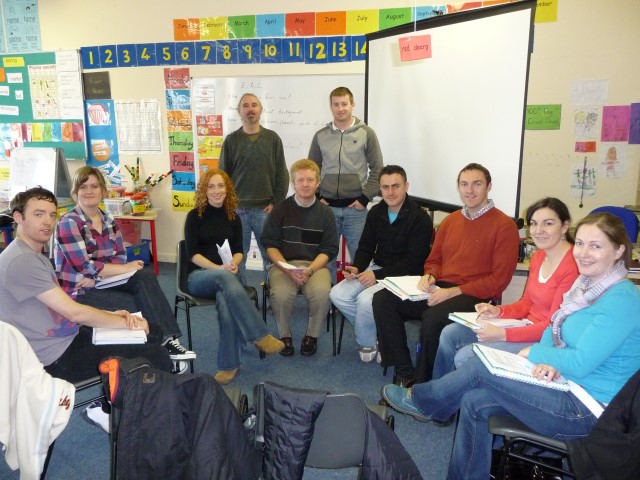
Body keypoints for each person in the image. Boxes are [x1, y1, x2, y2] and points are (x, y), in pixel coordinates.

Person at [381, 212, 640, 480]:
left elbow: (581, 362)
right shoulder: (586, 287)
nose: (584, 253)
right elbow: (555, 328)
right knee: (474, 401)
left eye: (595, 246)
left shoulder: (622, 299)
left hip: (586, 411)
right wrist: (548, 358)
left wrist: (535, 352)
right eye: (581, 243)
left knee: (481, 366)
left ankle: (424, 401)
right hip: (564, 384)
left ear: (618, 250)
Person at [0, 187, 172, 383]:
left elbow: (62, 308)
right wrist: (124, 322)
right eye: (38, 214)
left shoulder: (30, 254)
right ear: (18, 217)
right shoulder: (22, 260)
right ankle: (121, 399)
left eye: (52, 215)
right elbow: (76, 313)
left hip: (66, 337)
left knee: (153, 331)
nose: (47, 221)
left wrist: (113, 317)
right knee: (157, 355)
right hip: (55, 357)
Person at [372, 163, 520, 385]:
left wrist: (453, 292)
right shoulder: (450, 221)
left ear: (489, 187)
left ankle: (423, 383)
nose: (470, 190)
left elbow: (498, 281)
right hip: (441, 287)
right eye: (464, 184)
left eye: (477, 184)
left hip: (476, 296)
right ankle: (405, 371)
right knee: (383, 299)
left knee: (432, 318)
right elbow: (434, 261)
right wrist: (430, 276)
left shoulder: (505, 226)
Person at [54, 166, 194, 372]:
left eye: (94, 186)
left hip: (101, 283)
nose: (89, 191)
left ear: (103, 190)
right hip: (78, 294)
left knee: (144, 277)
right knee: (140, 303)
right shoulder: (69, 223)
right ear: (75, 191)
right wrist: (108, 271)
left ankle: (166, 344)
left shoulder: (109, 221)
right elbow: (84, 266)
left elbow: (119, 257)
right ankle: (163, 351)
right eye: (83, 187)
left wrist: (99, 275)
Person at [433, 197, 579, 379]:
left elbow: (553, 325)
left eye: (548, 223)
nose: (538, 230)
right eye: (534, 224)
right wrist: (498, 311)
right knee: (450, 333)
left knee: (467, 355)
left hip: (544, 340)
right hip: (525, 325)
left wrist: (503, 334)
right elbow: (526, 303)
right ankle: (436, 392)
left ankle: (441, 393)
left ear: (565, 226)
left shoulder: (573, 265)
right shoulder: (539, 256)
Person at [184, 169, 285, 384]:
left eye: (221, 186)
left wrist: (233, 264)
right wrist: (218, 268)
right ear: (204, 190)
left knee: (225, 302)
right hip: (199, 277)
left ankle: (229, 366)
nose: (216, 191)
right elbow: (192, 254)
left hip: (227, 276)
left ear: (227, 189)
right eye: (211, 186)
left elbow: (239, 251)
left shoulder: (233, 217)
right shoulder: (194, 216)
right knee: (225, 279)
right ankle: (260, 336)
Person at [330, 165, 432, 362]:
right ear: (380, 189)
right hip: (377, 269)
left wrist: (376, 276)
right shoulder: (376, 211)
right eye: (385, 187)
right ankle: (377, 336)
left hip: (406, 277)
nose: (390, 192)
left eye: (396, 186)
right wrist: (357, 267)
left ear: (406, 186)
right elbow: (366, 247)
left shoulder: (420, 218)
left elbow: (413, 263)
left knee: (365, 301)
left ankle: (367, 343)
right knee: (337, 294)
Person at [261, 159, 339, 356]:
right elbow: (270, 245)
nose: (305, 184)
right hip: (284, 265)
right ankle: (284, 336)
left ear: (318, 182)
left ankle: (311, 335)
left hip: (315, 266)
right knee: (280, 294)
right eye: (300, 180)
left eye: (310, 180)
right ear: (293, 183)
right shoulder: (280, 210)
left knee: (322, 292)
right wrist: (288, 269)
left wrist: (310, 270)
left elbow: (329, 249)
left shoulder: (326, 213)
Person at [308, 86, 383, 282]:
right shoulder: (321, 135)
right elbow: (311, 169)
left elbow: (378, 169)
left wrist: (364, 198)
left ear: (352, 105)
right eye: (336, 104)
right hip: (327, 209)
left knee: (361, 258)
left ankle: (357, 298)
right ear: (331, 106)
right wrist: (317, 196)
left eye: (344, 104)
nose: (340, 108)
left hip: (356, 210)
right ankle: (327, 297)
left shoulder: (366, 133)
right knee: (325, 258)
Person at [219, 93, 289, 283]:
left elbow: (282, 174)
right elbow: (223, 176)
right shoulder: (231, 141)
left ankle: (270, 294)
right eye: (246, 106)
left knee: (270, 257)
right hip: (237, 211)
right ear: (239, 111)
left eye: (254, 105)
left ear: (260, 109)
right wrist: (228, 205)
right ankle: (240, 294)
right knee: (237, 258)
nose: (250, 109)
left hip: (265, 211)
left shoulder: (273, 139)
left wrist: (276, 203)